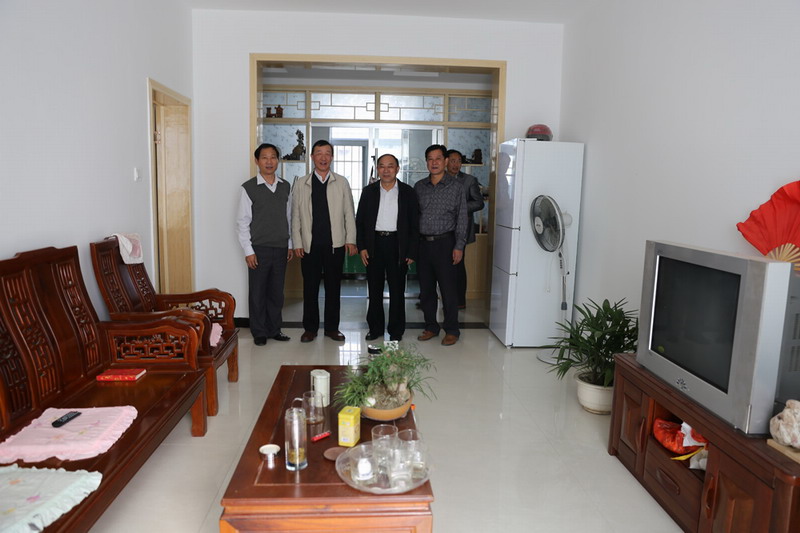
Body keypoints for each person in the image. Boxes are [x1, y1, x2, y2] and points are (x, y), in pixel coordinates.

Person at [291, 140, 357, 343]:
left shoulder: (341, 182)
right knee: (310, 288)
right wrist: (297, 242)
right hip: (309, 245)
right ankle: (310, 329)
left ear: (332, 157)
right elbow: (295, 216)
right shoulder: (301, 183)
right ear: (312, 157)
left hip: (335, 245)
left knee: (333, 288)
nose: (323, 157)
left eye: (327, 153)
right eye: (319, 153)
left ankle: (332, 328)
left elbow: (349, 212)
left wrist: (351, 239)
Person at [356, 154, 419, 342]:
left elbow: (415, 224)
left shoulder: (408, 192)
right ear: (377, 169)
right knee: (374, 290)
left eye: (390, 166)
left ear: (397, 169)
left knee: (397, 290)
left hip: (397, 244)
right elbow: (360, 222)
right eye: (382, 166)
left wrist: (411, 251)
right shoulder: (369, 191)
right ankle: (375, 328)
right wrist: (362, 247)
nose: (386, 170)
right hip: (374, 244)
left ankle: (396, 330)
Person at [236, 143, 293, 346]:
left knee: (276, 293)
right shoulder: (249, 188)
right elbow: (242, 222)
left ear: (278, 160)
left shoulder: (285, 186)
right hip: (258, 249)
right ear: (257, 161)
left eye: (273, 157)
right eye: (264, 157)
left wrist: (290, 244)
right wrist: (248, 251)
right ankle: (259, 331)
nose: (269, 162)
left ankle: (274, 329)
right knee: (258, 292)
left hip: (281, 248)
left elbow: (289, 217)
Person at [413, 144, 467, 346]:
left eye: (438, 159)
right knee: (426, 290)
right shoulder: (419, 187)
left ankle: (452, 330)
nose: (434, 162)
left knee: (448, 290)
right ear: (426, 162)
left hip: (446, 244)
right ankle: (431, 327)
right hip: (423, 245)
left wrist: (459, 246)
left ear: (445, 161)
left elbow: (462, 218)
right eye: (430, 159)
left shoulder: (456, 187)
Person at [446, 149, 485, 309]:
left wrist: (460, 208)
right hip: (441, 230)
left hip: (461, 229)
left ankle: (460, 301)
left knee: (458, 264)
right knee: (442, 265)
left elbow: (479, 203)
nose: (456, 164)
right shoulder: (439, 178)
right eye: (453, 161)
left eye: (459, 161)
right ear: (446, 162)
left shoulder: (469, 180)